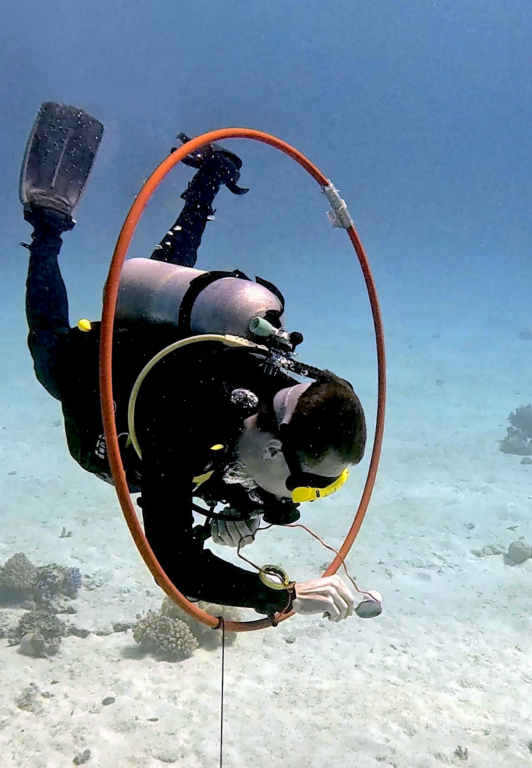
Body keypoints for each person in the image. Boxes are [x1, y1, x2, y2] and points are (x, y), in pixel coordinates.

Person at [20, 102, 367, 621]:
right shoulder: (183, 425)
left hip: (174, 351)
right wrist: (286, 596)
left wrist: (252, 506)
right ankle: (48, 225)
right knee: (49, 350)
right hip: (99, 379)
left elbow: (264, 476)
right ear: (274, 448)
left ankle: (208, 179)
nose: (302, 499)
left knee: (166, 274)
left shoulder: (278, 391)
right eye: (308, 487)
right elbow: (175, 564)